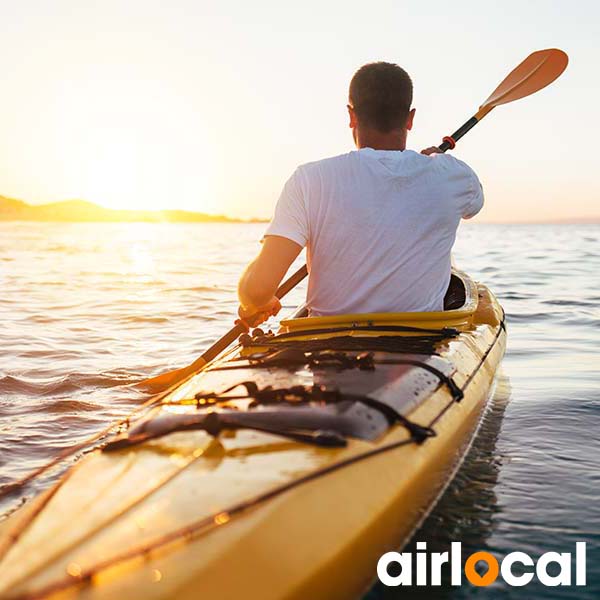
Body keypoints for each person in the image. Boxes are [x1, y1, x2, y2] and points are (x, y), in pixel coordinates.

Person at [237, 61, 484, 328]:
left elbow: (258, 289)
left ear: (351, 116)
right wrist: (436, 162)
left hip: (325, 348)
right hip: (423, 342)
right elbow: (474, 205)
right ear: (410, 118)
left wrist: (257, 302)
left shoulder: (308, 180)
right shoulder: (453, 175)